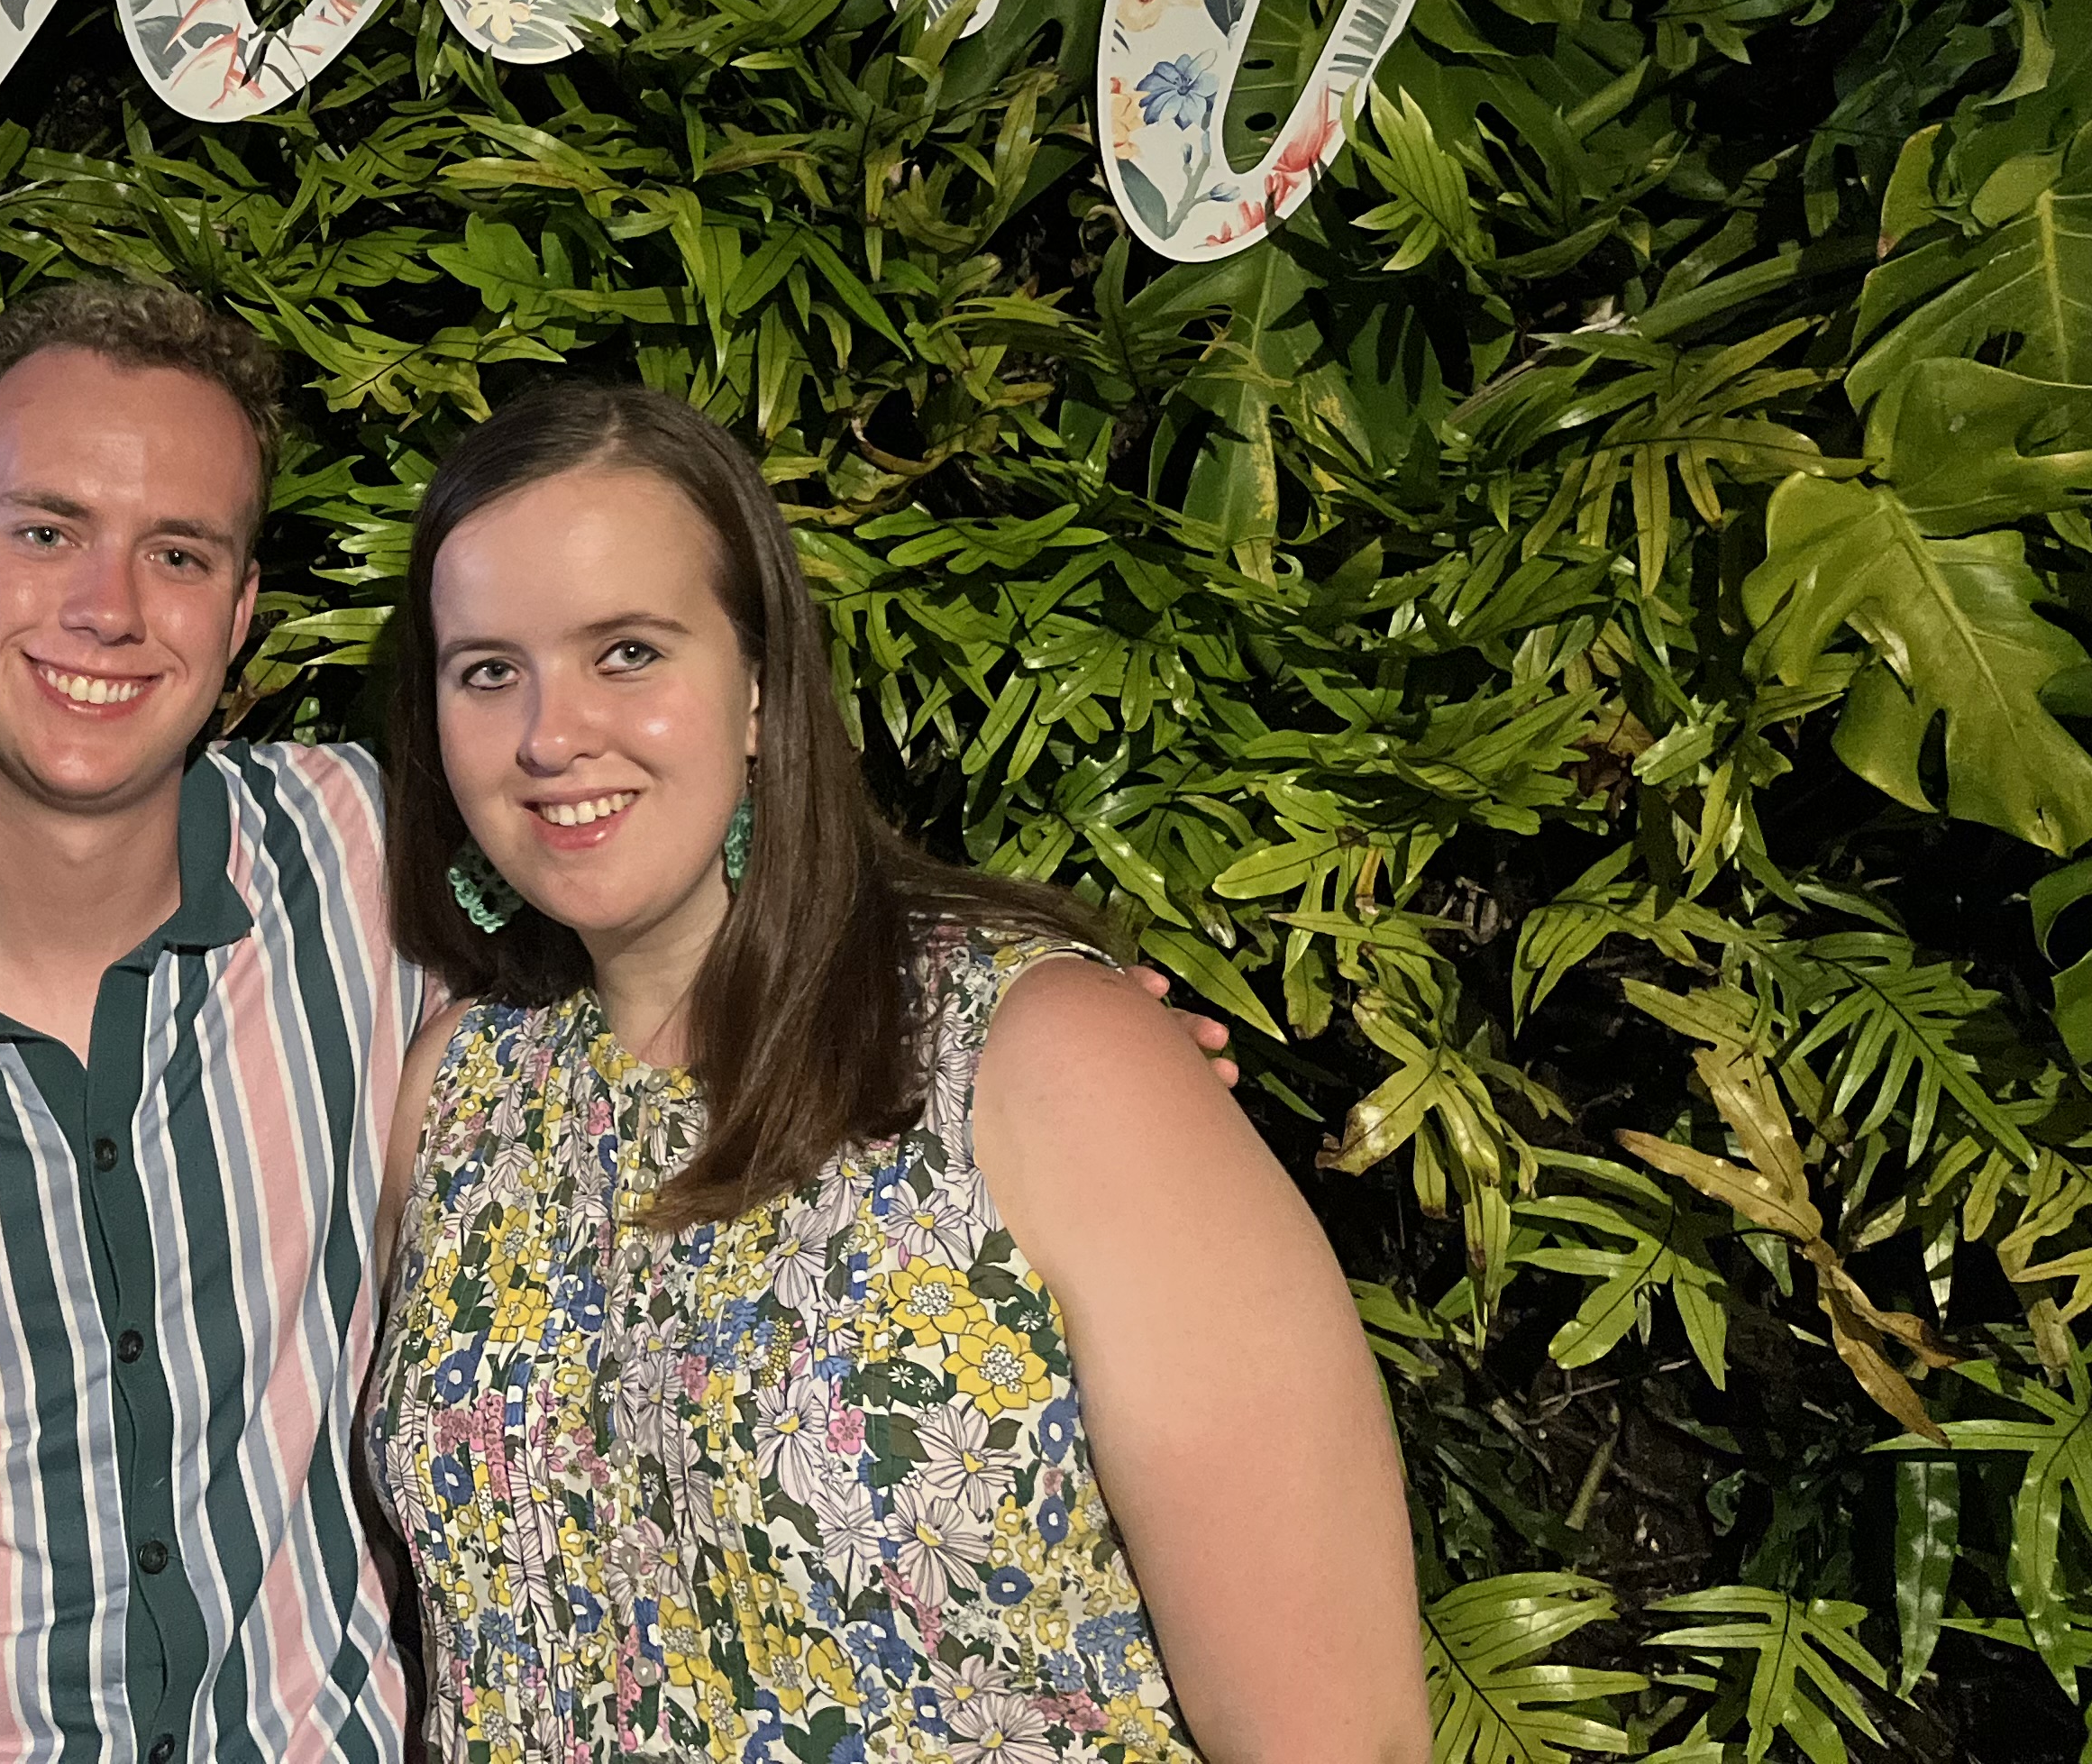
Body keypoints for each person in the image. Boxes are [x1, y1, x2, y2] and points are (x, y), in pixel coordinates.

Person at [0, 283, 1242, 1763]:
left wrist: (1087, 1067)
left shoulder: (349, 862)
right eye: (46, 529)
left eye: (177, 551)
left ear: (237, 614)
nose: (107, 602)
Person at [364, 383, 1428, 1763]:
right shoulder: (456, 1095)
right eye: (488, 669)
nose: (551, 734)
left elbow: (1336, 1738)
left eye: (627, 651)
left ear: (756, 686)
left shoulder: (1041, 1057)